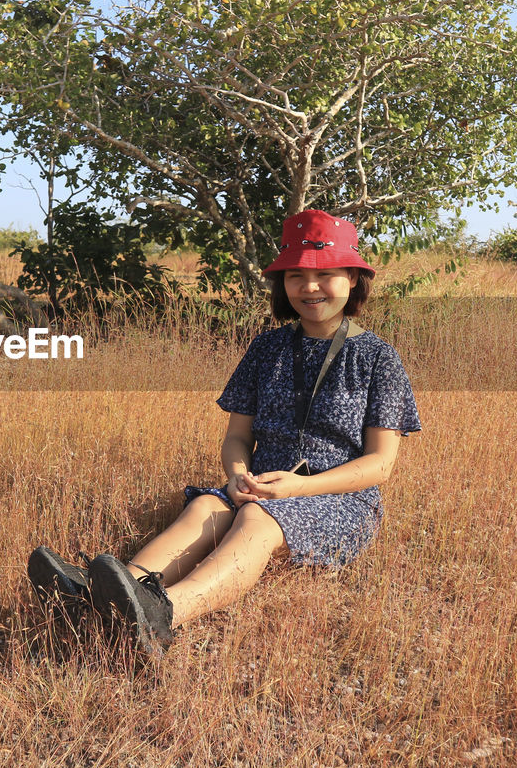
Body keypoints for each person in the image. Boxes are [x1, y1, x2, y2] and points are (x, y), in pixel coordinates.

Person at [28, 209, 421, 657]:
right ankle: (105, 597)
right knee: (203, 507)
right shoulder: (267, 348)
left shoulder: (378, 358)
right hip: (258, 487)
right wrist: (236, 476)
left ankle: (163, 613)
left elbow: (380, 464)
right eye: (295, 276)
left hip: (338, 498)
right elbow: (237, 437)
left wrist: (301, 487)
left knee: (257, 520)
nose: (309, 287)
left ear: (353, 278)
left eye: (325, 274)